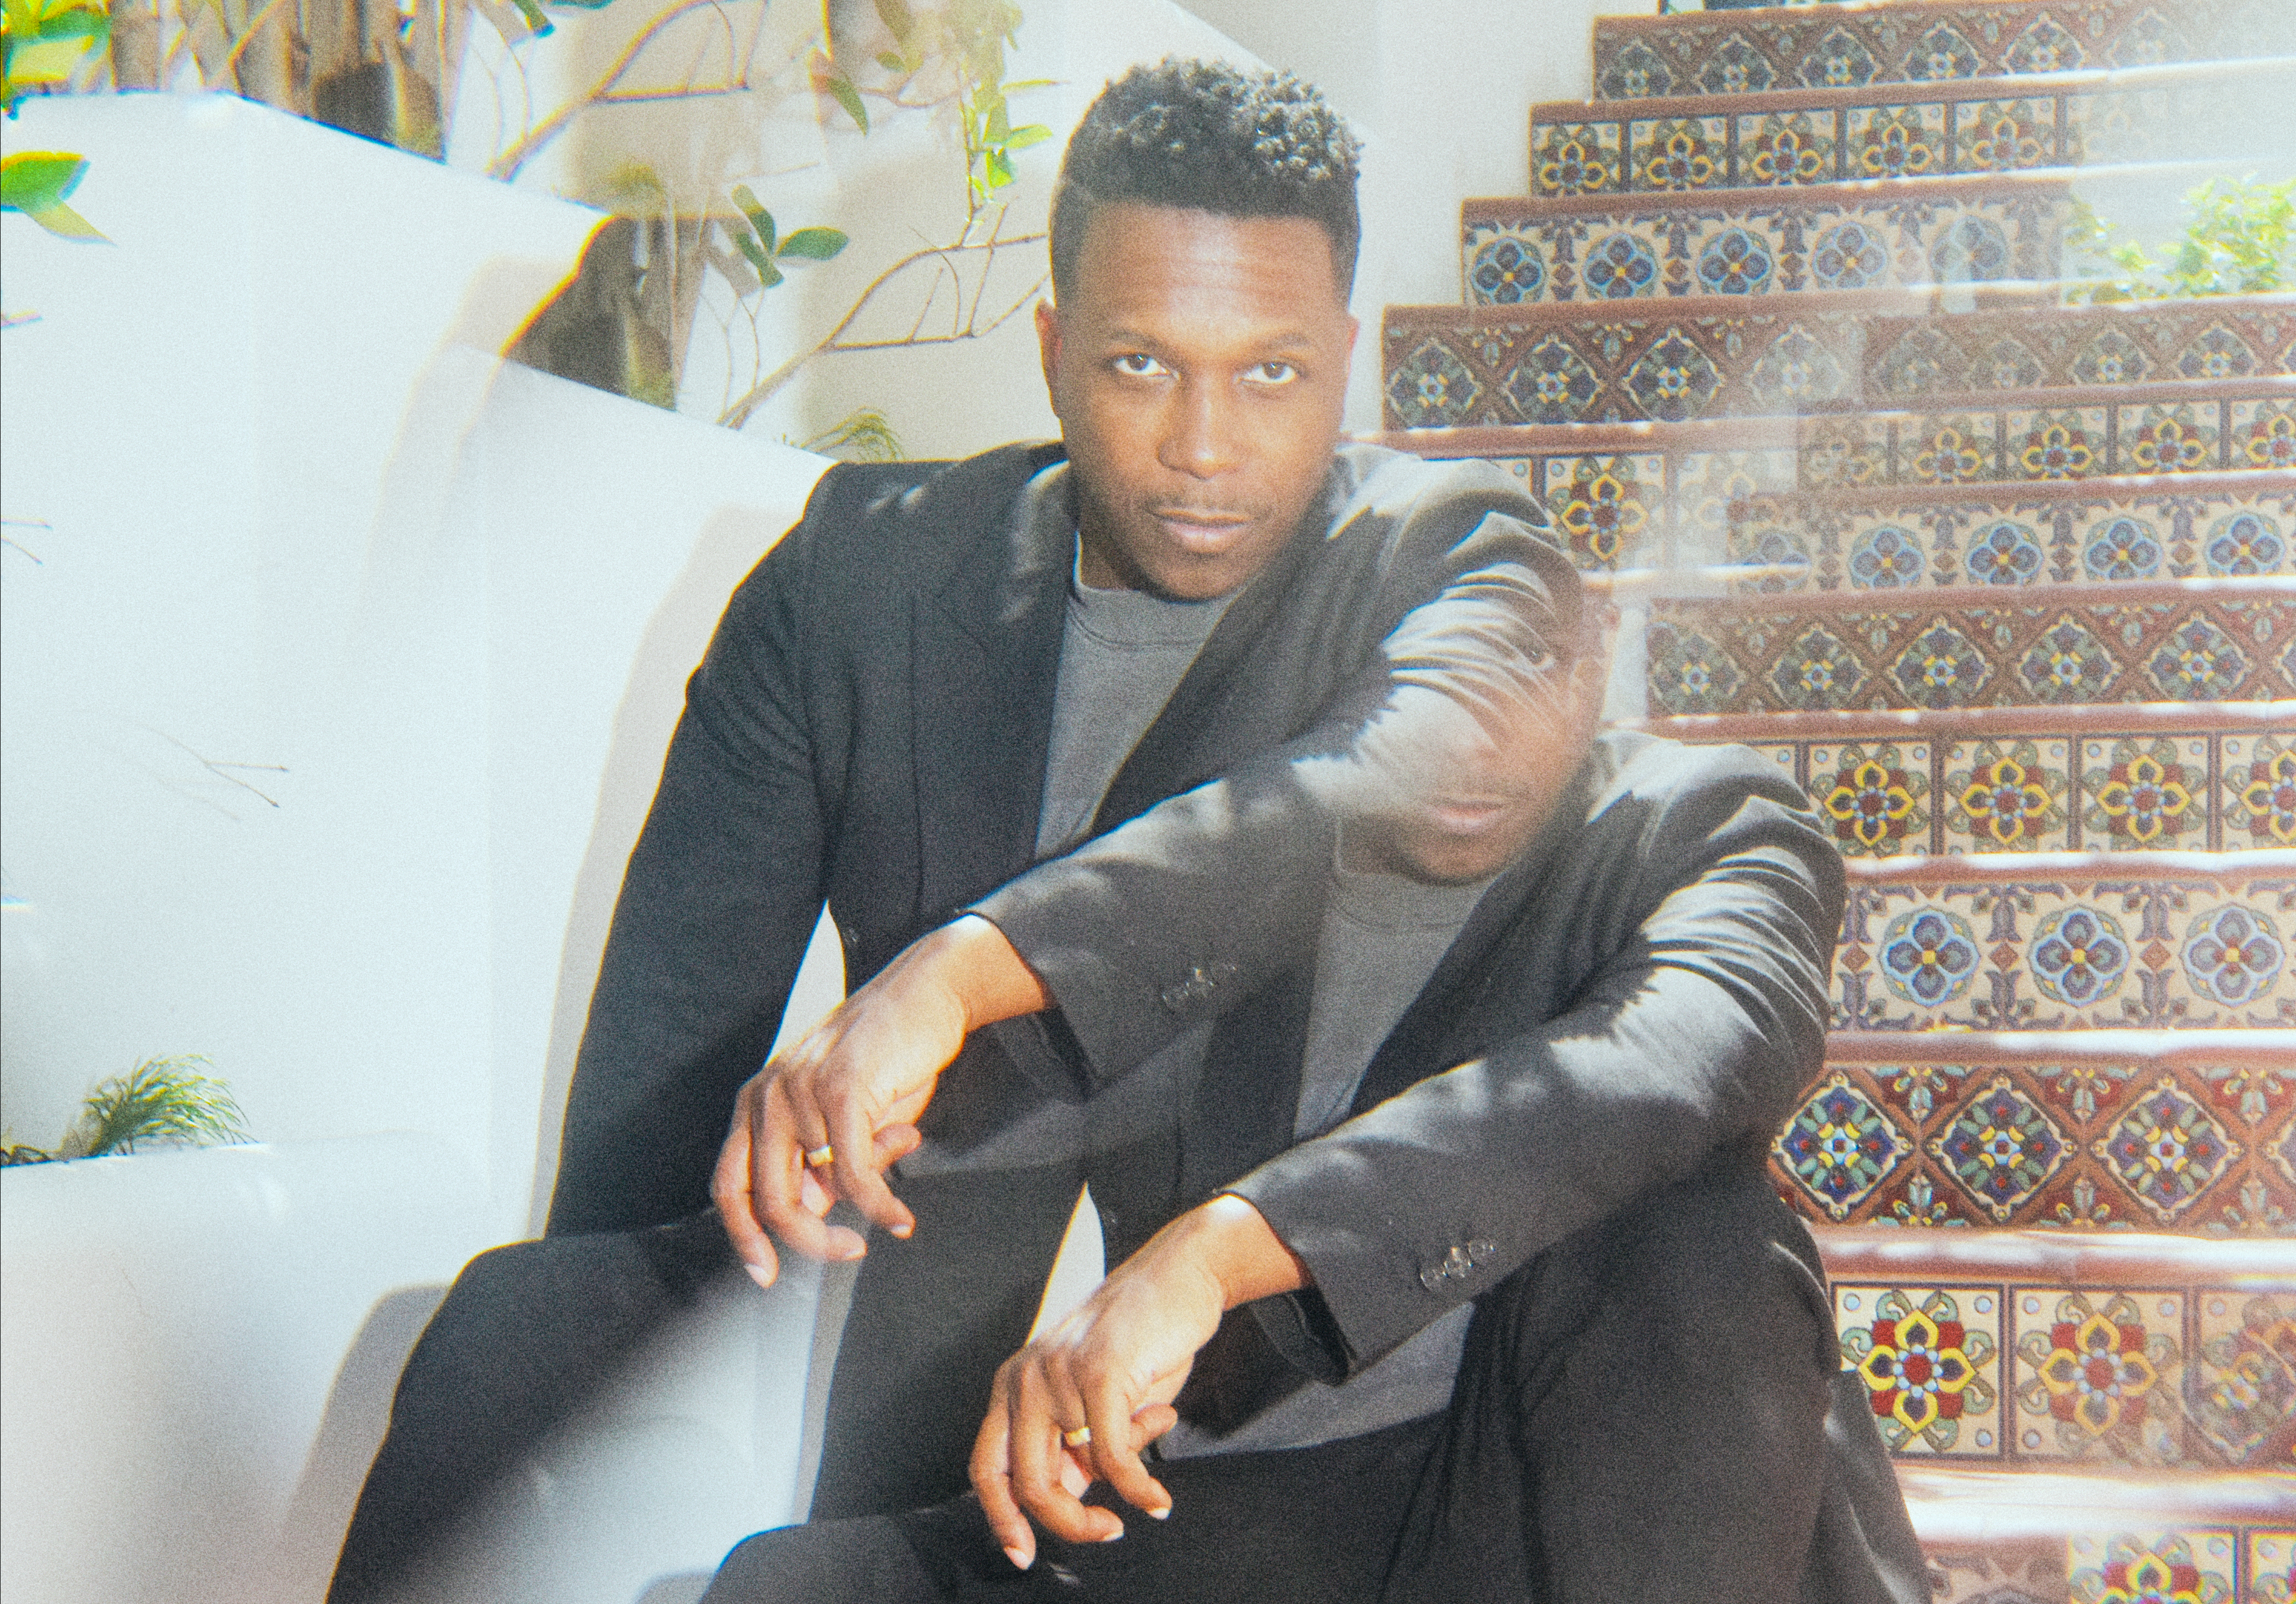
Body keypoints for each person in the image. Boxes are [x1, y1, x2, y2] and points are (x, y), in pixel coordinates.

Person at [329, 60, 1589, 1600]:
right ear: (1055, 351)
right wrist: (614, 1379)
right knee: (517, 1323)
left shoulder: (1440, 573)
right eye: (1141, 364)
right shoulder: (862, 585)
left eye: (1270, 373)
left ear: (1343, 363)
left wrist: (952, 975)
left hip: (1269, 1353)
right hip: (919, 1275)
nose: (1205, 443)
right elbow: (656, 1103)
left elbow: (1399, 798)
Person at [697, 642, 1931, 1603]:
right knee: (789, 1582)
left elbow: (1682, 1056)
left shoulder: (1699, 820)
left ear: (1589, 669)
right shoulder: (1223, 859)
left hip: (1592, 1491)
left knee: (1694, 1232)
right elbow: (1003, 1124)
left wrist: (1217, 1248)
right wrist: (863, 1079)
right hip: (1267, 1503)